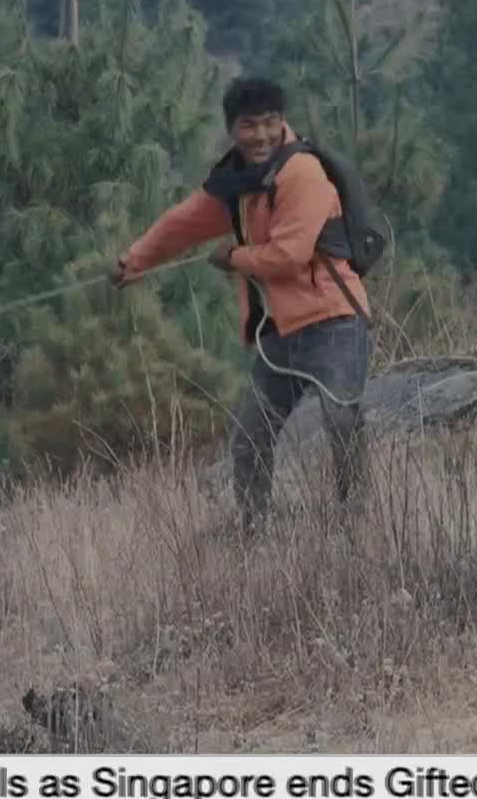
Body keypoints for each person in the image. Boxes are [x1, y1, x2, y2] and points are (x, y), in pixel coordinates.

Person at [110, 77, 372, 531]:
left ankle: (356, 523)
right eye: (249, 125)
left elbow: (289, 255)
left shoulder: (301, 172)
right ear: (233, 129)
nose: (261, 135)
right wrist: (134, 261)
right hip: (280, 332)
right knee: (250, 438)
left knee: (341, 420)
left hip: (335, 320)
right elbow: (184, 223)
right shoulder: (238, 181)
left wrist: (234, 257)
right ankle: (254, 530)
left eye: (271, 122)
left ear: (283, 122)